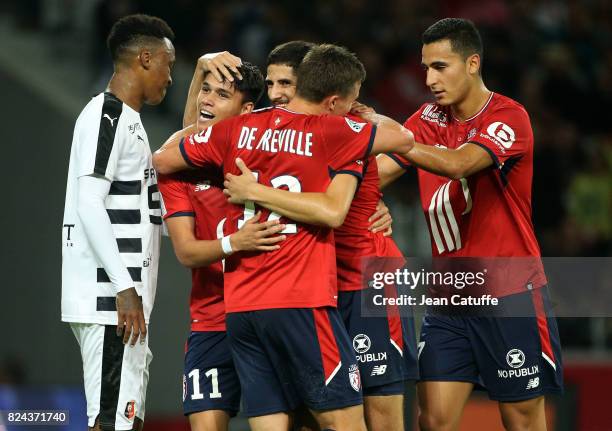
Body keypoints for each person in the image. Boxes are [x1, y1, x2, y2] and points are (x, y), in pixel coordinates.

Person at [153, 43, 414, 431]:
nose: (275, 91)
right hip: (302, 299)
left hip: (242, 308)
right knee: (348, 422)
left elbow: (162, 159)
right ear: (336, 100)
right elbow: (402, 141)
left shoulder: (236, 131)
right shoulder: (333, 130)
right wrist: (359, 115)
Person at [375, 18, 563, 430]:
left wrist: (395, 137)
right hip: (449, 298)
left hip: (511, 293)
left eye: (440, 67)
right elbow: (377, 171)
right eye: (425, 67)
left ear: (473, 63)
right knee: (433, 420)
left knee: (523, 420)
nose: (429, 79)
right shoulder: (427, 118)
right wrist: (367, 200)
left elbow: (460, 163)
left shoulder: (508, 117)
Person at [158, 56, 286, 431]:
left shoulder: (273, 153)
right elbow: (186, 251)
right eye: (205, 90)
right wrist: (235, 242)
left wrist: (374, 199)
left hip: (268, 315)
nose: (206, 100)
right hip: (211, 321)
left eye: (221, 94)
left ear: (246, 109)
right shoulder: (180, 169)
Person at [61, 14, 175, 431]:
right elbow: (89, 201)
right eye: (168, 63)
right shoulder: (105, 115)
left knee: (123, 420)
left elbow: (145, 213)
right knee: (111, 421)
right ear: (145, 58)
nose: (169, 76)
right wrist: (125, 290)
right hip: (111, 300)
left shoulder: (131, 121)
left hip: (123, 302)